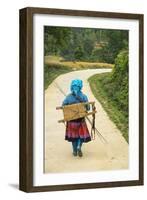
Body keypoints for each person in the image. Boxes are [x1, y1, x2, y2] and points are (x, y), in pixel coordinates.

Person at [62, 79, 91, 157]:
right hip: (81, 120)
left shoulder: (68, 97)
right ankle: (79, 146)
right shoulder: (84, 96)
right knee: (80, 135)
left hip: (71, 121)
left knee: (73, 136)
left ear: (72, 87)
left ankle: (74, 151)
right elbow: (88, 108)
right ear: (80, 87)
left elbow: (63, 106)